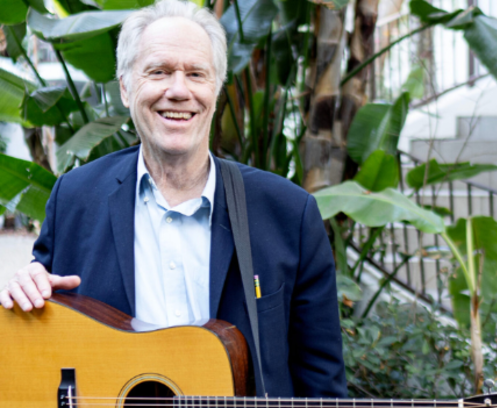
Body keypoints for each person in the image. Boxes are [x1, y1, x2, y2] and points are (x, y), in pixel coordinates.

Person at [0, 0, 346, 398]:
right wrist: (22, 298)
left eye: (196, 74)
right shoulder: (75, 201)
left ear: (216, 89)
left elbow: (323, 388)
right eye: (159, 72)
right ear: (126, 87)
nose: (179, 91)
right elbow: (38, 351)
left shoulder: (289, 214)